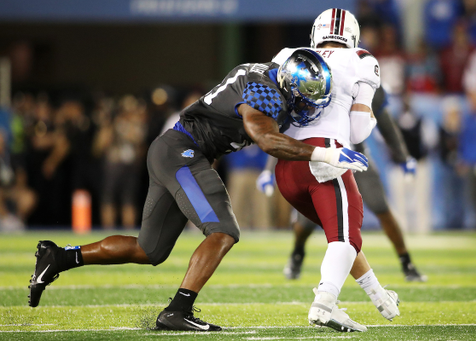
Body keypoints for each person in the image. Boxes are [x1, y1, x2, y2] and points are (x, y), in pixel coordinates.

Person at [28, 49, 368, 332]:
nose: (308, 110)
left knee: (150, 250)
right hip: (182, 152)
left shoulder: (267, 75)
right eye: (306, 100)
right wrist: (326, 153)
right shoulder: (264, 91)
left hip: (175, 151)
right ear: (289, 85)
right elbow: (266, 139)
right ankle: (176, 311)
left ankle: (58, 257)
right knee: (224, 231)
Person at [267, 8, 400, 333]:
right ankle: (324, 301)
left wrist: (378, 294)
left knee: (341, 237)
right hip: (326, 159)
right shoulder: (361, 59)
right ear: (351, 35)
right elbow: (357, 132)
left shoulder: (288, 55)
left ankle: (379, 297)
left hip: (286, 166)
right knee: (345, 237)